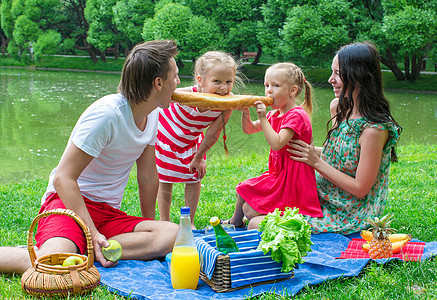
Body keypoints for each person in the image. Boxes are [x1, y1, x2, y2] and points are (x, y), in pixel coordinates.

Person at [0, 40, 180, 275]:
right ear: (158, 83)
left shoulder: (152, 115)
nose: (178, 83)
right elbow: (63, 178)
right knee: (51, 263)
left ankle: (82, 252)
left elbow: (146, 177)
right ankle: (70, 250)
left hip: (107, 213)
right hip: (69, 205)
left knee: (173, 234)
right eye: (175, 76)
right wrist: (93, 234)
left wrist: (151, 226)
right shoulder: (106, 115)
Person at [288, 42, 402, 234]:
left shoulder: (374, 129)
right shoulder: (338, 107)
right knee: (252, 207)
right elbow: (338, 155)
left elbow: (360, 188)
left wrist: (314, 161)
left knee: (258, 222)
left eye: (338, 74)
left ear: (360, 75)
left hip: (349, 212)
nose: (330, 79)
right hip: (321, 194)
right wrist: (301, 149)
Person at [224, 62, 323, 230]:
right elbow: (249, 129)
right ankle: (236, 221)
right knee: (244, 189)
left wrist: (263, 118)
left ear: (292, 91)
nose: (269, 90)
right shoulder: (275, 114)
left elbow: (277, 144)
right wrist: (246, 113)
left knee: (250, 210)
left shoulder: (297, 115)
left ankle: (263, 220)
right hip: (278, 174)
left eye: (275, 86)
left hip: (293, 181)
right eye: (266, 85)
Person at [156, 51, 242, 229]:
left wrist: (199, 156)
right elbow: (159, 98)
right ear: (200, 80)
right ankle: (164, 221)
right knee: (165, 179)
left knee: (194, 178)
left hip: (191, 141)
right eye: (217, 81)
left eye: (229, 82)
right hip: (166, 135)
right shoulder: (182, 94)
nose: (224, 88)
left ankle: (189, 222)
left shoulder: (226, 104)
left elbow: (213, 133)